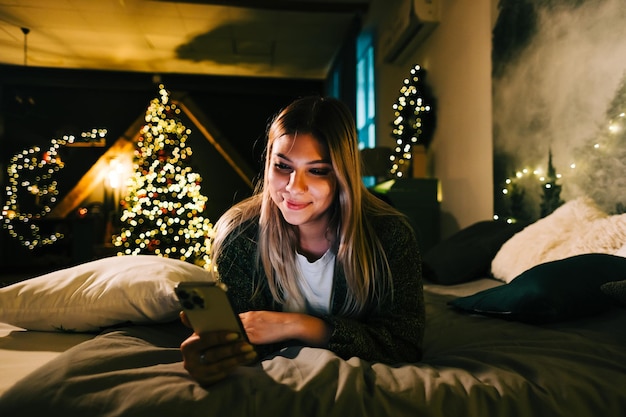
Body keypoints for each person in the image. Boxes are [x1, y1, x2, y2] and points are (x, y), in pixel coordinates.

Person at [180, 96, 425, 386]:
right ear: (268, 163)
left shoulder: (390, 235)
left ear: (342, 175)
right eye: (283, 167)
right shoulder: (239, 236)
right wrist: (214, 352)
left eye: (318, 170)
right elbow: (245, 341)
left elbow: (404, 345)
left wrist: (299, 325)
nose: (294, 188)